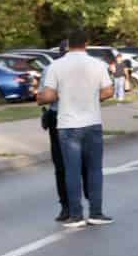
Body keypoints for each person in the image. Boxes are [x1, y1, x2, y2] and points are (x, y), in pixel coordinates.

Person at [36, 31, 114, 228]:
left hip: (68, 125)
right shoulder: (98, 65)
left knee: (71, 171)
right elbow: (108, 91)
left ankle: (75, 215)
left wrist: (49, 97)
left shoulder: (56, 66)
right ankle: (96, 213)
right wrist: (91, 97)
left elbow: (48, 96)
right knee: (94, 170)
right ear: (86, 43)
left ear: (68, 44)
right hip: (93, 123)